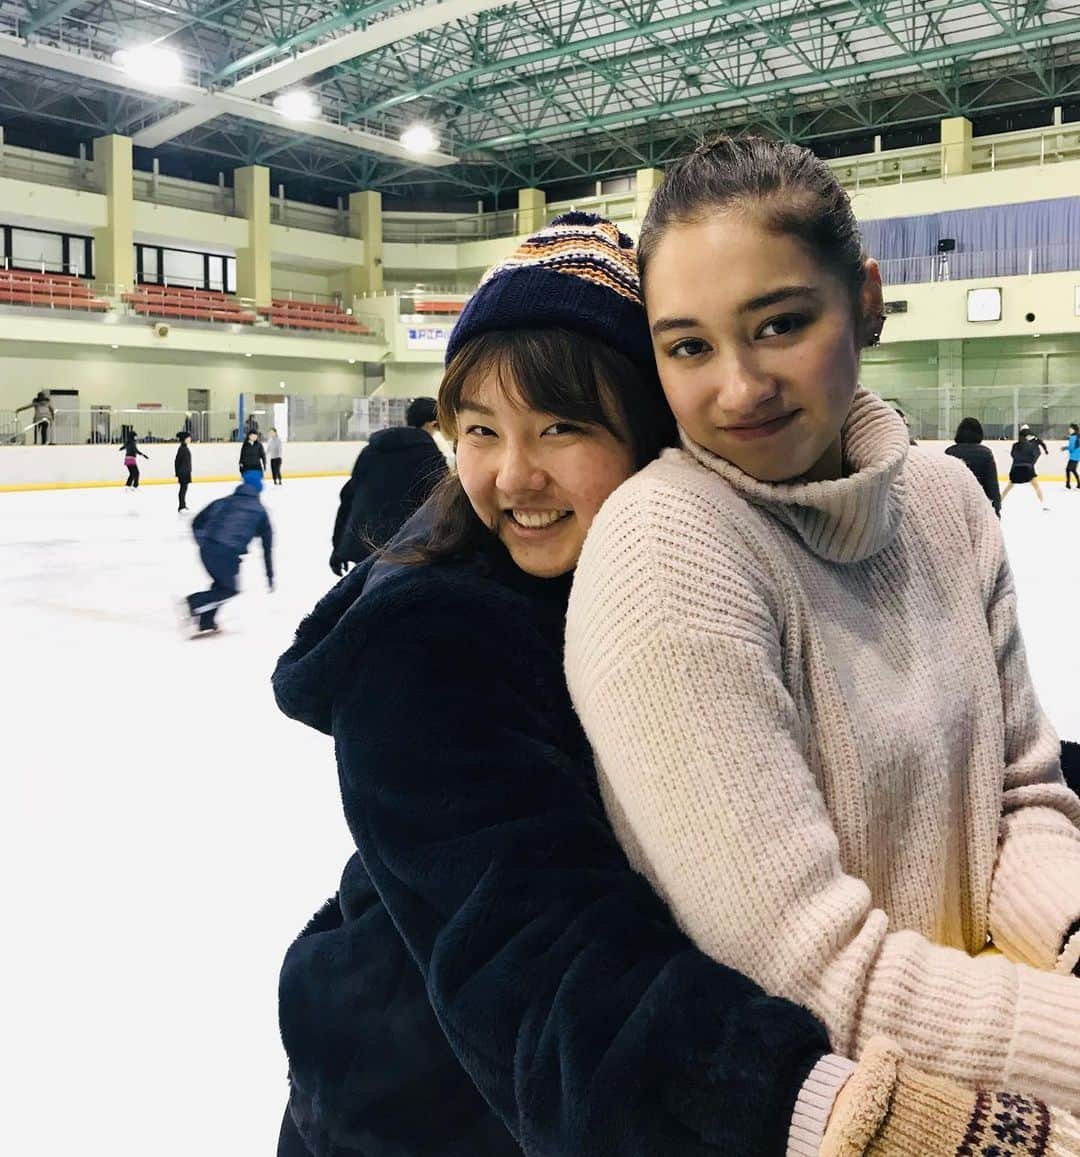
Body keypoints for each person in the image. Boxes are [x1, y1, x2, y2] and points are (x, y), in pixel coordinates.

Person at [272, 213, 1080, 1157]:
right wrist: (837, 1111)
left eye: (561, 427)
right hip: (420, 1111)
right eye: (480, 430)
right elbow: (551, 973)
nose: (511, 475)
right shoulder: (428, 649)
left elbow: (902, 753)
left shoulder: (709, 563)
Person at [566, 138, 1080, 1117]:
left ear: (867, 299)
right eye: (688, 346)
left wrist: (1069, 933)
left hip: (1002, 1063)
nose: (738, 385)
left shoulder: (944, 501)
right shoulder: (667, 546)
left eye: (780, 323)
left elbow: (1023, 794)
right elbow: (804, 967)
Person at [329, 395, 447, 575]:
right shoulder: (428, 455)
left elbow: (349, 498)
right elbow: (444, 506)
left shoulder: (371, 450)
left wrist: (338, 546)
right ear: (432, 424)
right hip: (405, 553)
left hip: (363, 548)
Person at [183, 469, 273, 636]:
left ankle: (206, 622)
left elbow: (197, 522)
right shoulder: (260, 512)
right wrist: (270, 576)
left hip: (207, 549)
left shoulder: (223, 502)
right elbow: (267, 547)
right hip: (226, 554)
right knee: (229, 589)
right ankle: (194, 602)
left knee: (220, 585)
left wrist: (203, 542)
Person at [945, 416, 1001, 515]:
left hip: (955, 504)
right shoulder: (985, 453)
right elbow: (992, 484)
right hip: (979, 503)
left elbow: (945, 483)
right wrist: (996, 509)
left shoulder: (950, 452)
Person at [1003, 425, 1050, 510]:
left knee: (1009, 486)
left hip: (1016, 468)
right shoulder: (1032, 444)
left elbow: (1013, 455)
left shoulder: (1015, 445)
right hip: (1028, 468)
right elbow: (1035, 454)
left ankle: (999, 501)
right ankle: (1044, 504)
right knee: (1036, 486)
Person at [174, 431, 192, 511]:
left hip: (185, 471)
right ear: (185, 439)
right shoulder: (182, 449)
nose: (190, 439)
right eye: (188, 438)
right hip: (183, 472)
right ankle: (181, 506)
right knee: (183, 489)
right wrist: (178, 472)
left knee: (184, 489)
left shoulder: (184, 448)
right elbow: (177, 461)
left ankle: (183, 505)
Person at [1063, 423, 1080, 491]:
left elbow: (1072, 448)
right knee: (1072, 470)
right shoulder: (1077, 436)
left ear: (1074, 430)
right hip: (1077, 456)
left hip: (1074, 456)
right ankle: (1077, 485)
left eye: (1070, 429)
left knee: (1068, 469)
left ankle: (1068, 485)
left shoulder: (1073, 437)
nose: (1069, 430)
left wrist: (1065, 448)